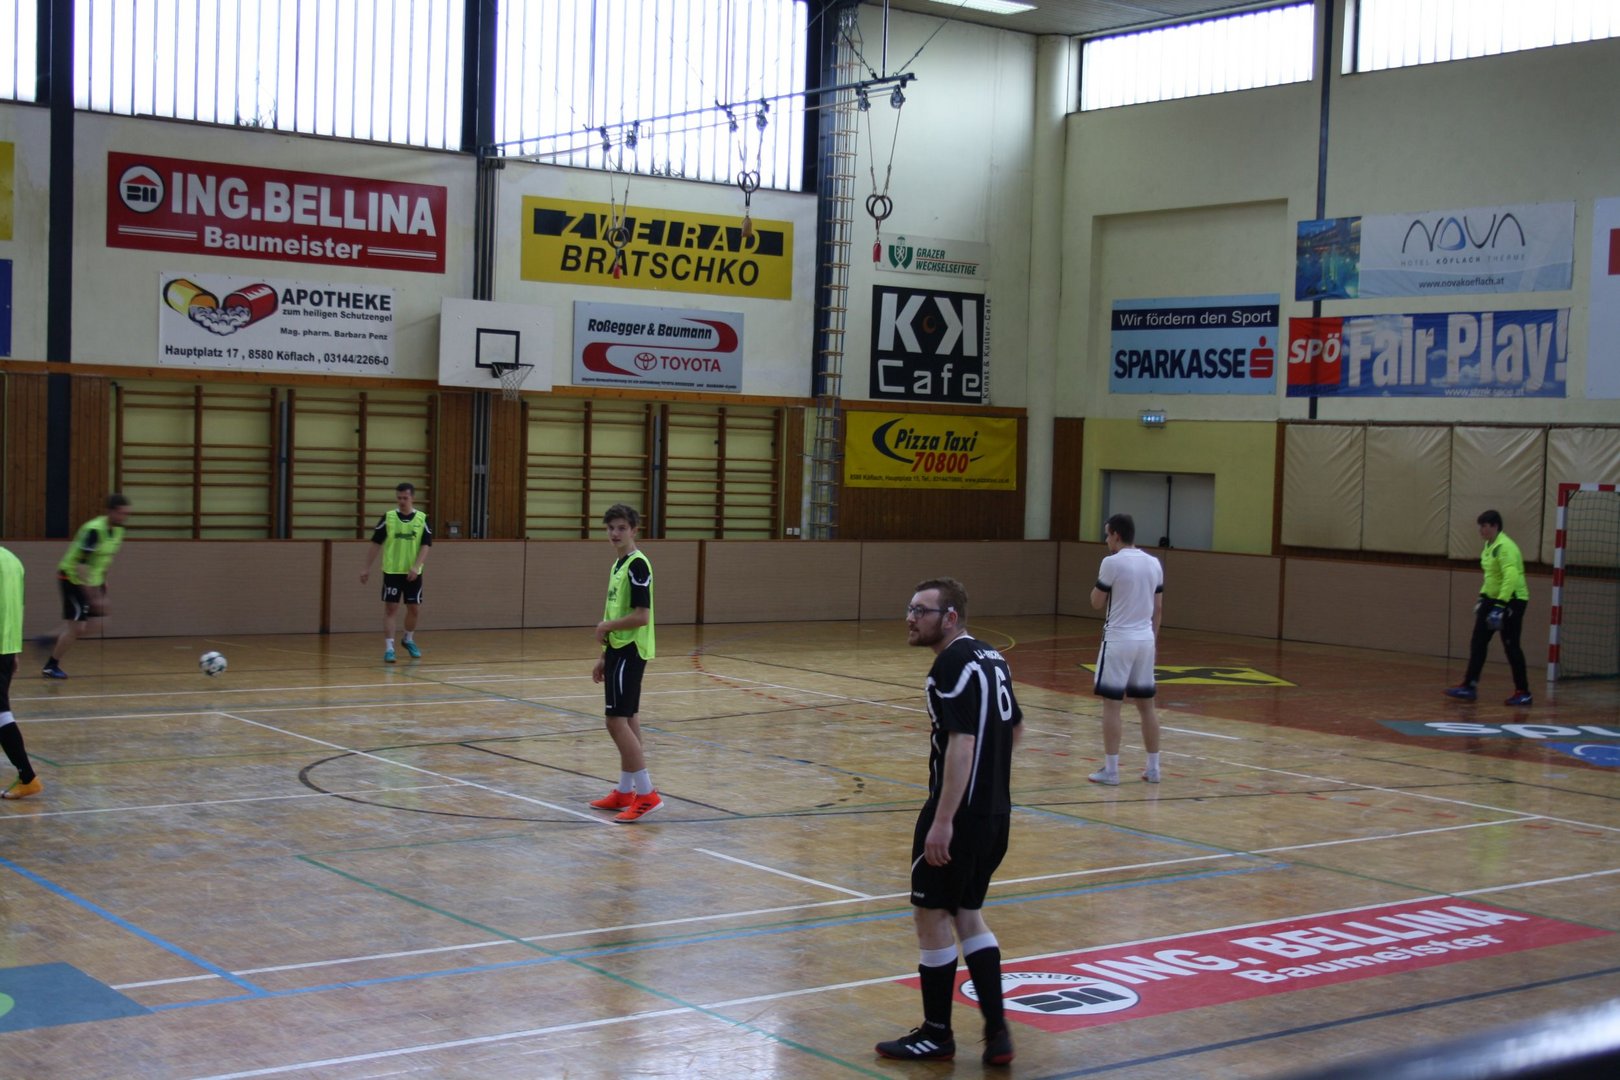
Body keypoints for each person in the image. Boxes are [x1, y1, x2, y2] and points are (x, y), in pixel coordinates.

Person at [876, 577, 1020, 1066]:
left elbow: (962, 742)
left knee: (931, 914)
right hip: (995, 813)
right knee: (967, 913)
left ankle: (937, 1034)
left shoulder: (950, 665)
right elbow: (1014, 726)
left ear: (950, 617)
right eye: (910, 608)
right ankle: (997, 1032)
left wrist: (943, 821)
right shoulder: (991, 657)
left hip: (959, 814)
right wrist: (991, 783)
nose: (911, 618)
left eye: (921, 610)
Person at [587, 503, 662, 824]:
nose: (615, 533)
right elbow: (616, 611)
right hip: (618, 650)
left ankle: (647, 794)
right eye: (610, 528)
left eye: (621, 528)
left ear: (634, 530)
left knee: (615, 721)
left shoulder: (637, 565)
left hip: (631, 650)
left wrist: (605, 627)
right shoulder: (618, 565)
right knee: (628, 719)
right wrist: (605, 654)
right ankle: (625, 790)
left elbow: (641, 616)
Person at [1088, 513, 1164, 785]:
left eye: (1107, 535)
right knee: (1147, 706)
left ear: (1116, 535)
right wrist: (1152, 639)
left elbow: (1096, 602)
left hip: (1119, 640)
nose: (1106, 540)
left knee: (1112, 705)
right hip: (1145, 640)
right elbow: (1158, 608)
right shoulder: (1154, 563)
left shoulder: (1112, 562)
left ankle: (1111, 770)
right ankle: (1153, 768)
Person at [1445, 509, 1532, 706]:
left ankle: (1523, 691)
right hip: (1492, 598)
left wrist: (1500, 605)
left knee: (1511, 645)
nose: (1481, 530)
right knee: (1478, 641)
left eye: (1484, 526)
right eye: (1480, 526)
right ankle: (1469, 686)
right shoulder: (1488, 546)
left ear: (1495, 526)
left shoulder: (1505, 547)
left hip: (1512, 600)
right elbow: (1491, 577)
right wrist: (1483, 597)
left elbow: (1511, 577)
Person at [42, 493, 132, 679]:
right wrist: (92, 596)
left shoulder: (118, 531)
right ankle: (51, 665)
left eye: (126, 513)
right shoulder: (94, 531)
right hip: (72, 578)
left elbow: (105, 559)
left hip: (92, 580)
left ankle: (51, 638)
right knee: (77, 628)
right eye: (121, 513)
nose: (124, 517)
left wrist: (103, 580)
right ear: (110, 512)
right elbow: (81, 565)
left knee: (100, 622)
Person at [360, 482, 432, 663]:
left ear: (412, 498)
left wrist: (416, 566)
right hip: (392, 571)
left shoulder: (422, 519)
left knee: (414, 609)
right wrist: (366, 567)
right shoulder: (388, 518)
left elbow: (426, 545)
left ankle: (408, 639)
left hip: (413, 573)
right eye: (399, 498)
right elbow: (376, 543)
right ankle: (389, 648)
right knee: (391, 608)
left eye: (405, 498)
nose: (401, 501)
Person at [2, 545, 42, 799]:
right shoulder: (12, 560)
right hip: (6, 647)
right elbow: (17, 607)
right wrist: (14, 649)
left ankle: (28, 777)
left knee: (1, 713)